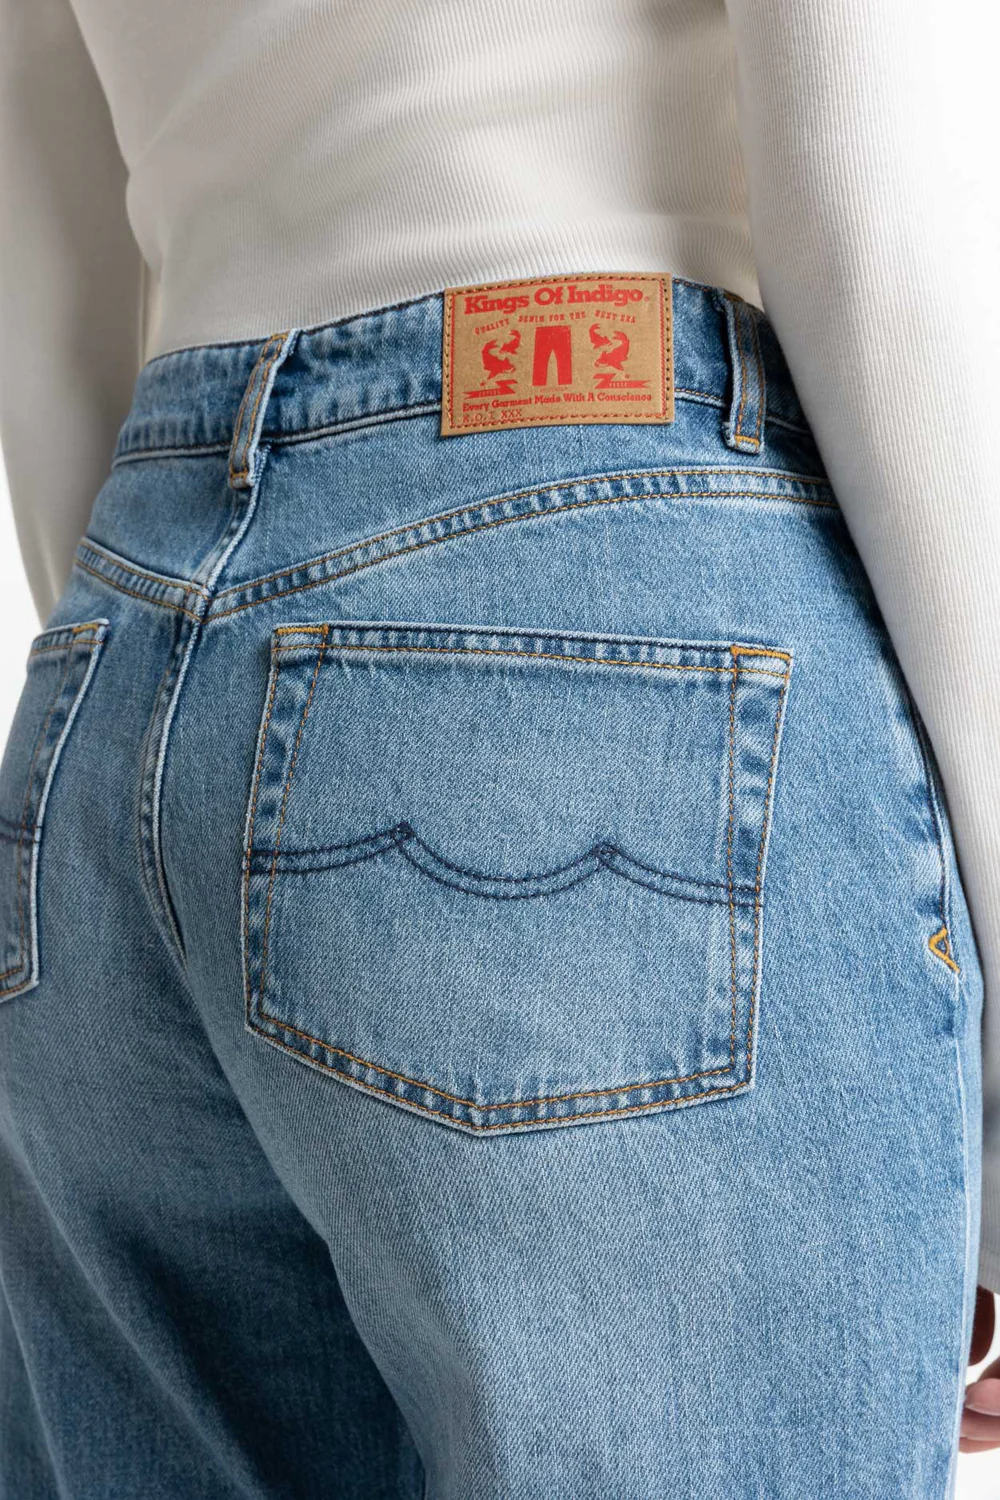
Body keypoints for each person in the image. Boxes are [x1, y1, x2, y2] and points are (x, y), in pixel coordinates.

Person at [0, 0, 998, 1494]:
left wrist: (133, 689)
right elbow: (869, 184)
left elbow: (35, 161)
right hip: (593, 603)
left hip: (120, 652)